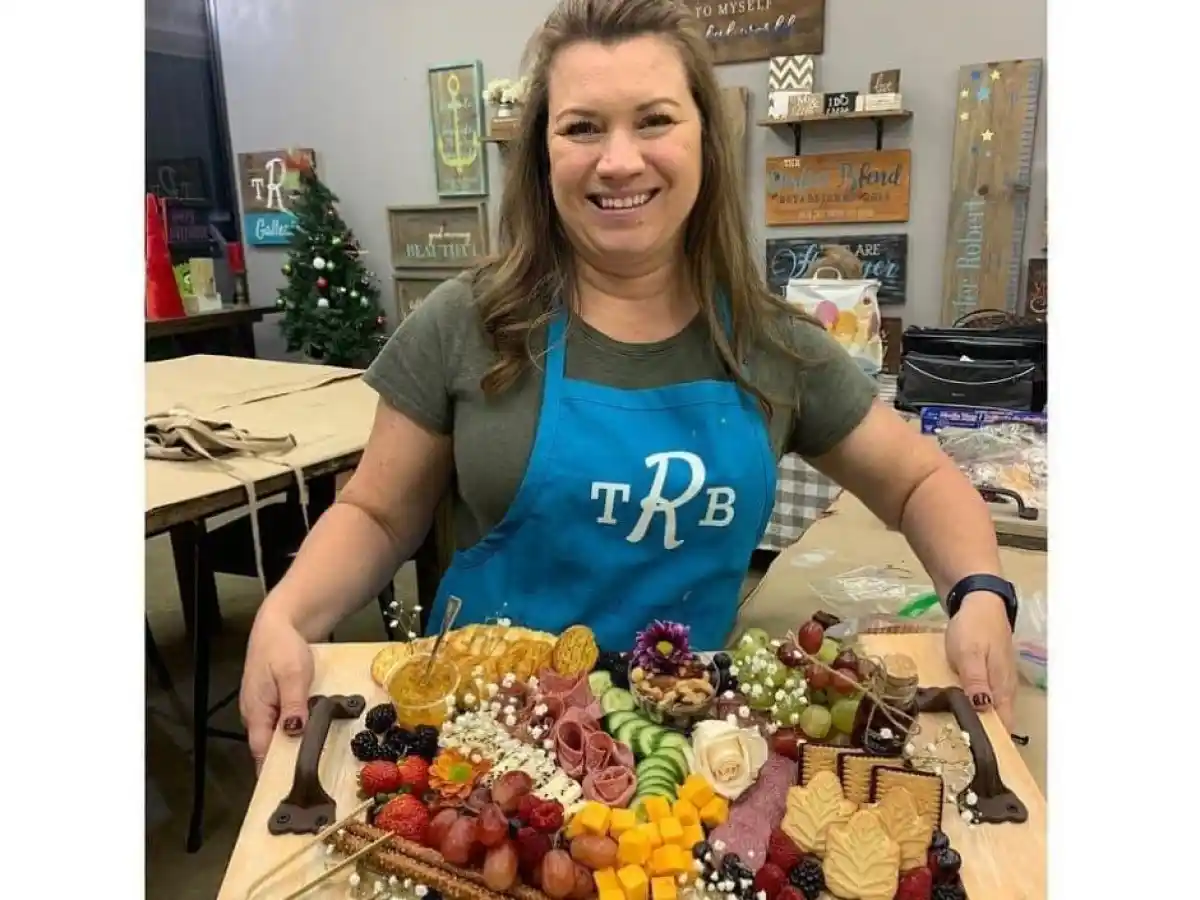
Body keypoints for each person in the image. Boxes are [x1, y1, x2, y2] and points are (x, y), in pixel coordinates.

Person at [239, 0, 1020, 770]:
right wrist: (285, 613)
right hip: (478, 747)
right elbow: (376, 513)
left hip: (680, 755)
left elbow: (919, 480)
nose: (618, 160)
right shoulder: (467, 322)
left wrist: (980, 592)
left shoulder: (772, 344)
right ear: (543, 155)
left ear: (706, 142)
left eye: (653, 120)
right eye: (582, 127)